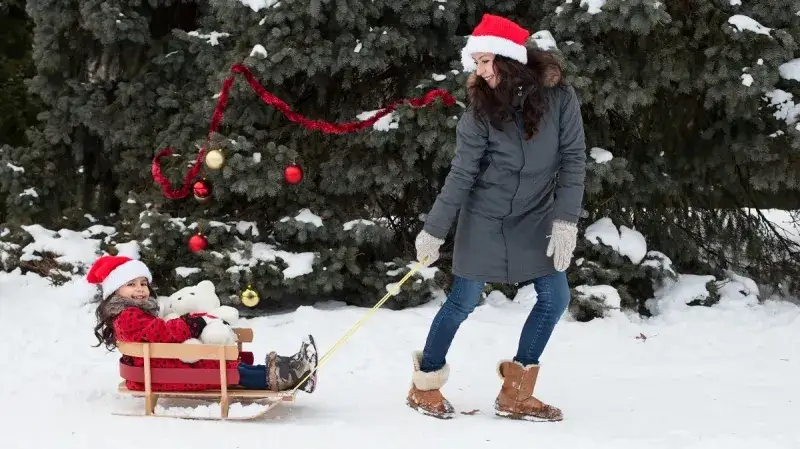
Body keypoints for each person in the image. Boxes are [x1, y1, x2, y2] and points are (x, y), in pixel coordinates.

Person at [407, 14, 587, 422]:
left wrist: (565, 221)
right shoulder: (479, 112)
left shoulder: (560, 99)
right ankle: (424, 385)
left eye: (487, 61)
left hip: (536, 214)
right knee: (463, 299)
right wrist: (434, 231)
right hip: (485, 217)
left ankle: (516, 393)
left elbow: (574, 159)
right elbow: (462, 174)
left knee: (556, 297)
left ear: (509, 60)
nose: (480, 71)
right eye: (477, 63)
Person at [88, 255, 318, 394]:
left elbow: (156, 334)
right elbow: (161, 334)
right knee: (229, 371)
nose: (140, 289)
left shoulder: (134, 312)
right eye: (131, 284)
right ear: (115, 291)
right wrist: (192, 324)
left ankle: (292, 369)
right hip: (162, 374)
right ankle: (289, 376)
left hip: (163, 368)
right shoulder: (128, 316)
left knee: (234, 368)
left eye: (143, 283)